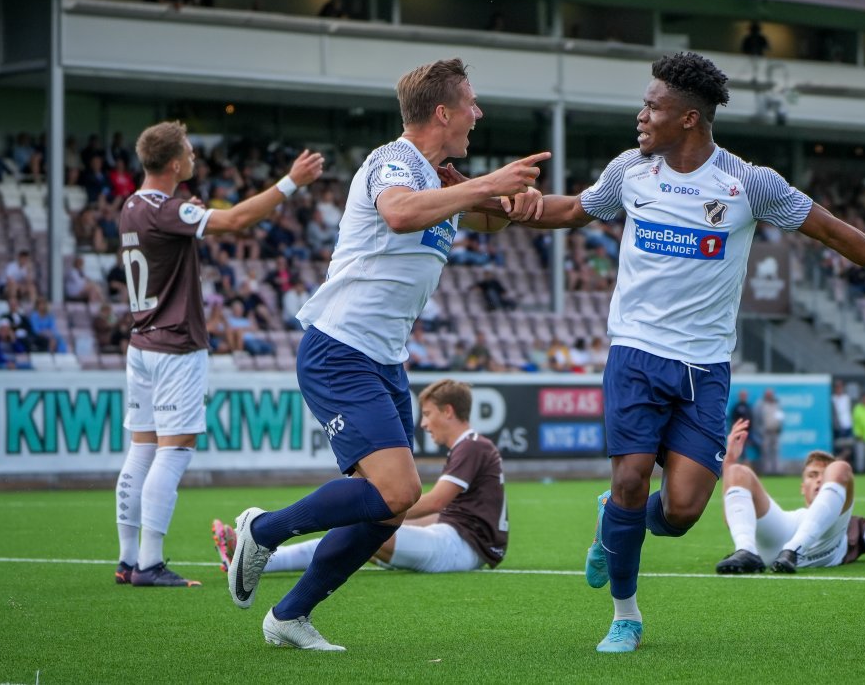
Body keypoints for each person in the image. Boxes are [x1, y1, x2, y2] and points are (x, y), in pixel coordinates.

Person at [498, 51, 865, 653]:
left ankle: (614, 515)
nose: (641, 116)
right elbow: (572, 210)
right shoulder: (630, 170)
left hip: (705, 367)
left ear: (689, 118)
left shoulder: (750, 183)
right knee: (632, 478)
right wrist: (504, 203)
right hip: (635, 353)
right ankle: (625, 615)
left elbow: (833, 231)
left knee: (682, 512)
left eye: (653, 107)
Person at [223, 58, 546, 652]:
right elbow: (398, 214)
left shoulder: (436, 176)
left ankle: (289, 615)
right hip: (340, 347)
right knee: (397, 492)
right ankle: (262, 528)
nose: (478, 114)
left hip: (383, 359)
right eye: (471, 104)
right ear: (443, 112)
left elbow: (485, 220)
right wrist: (486, 184)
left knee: (390, 510)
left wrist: (512, 204)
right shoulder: (392, 161)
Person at [112, 121, 324, 589]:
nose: (194, 157)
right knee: (173, 450)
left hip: (141, 342)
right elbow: (236, 221)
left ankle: (127, 560)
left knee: (141, 449)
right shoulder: (168, 210)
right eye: (189, 151)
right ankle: (149, 563)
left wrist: (186, 212)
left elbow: (169, 232)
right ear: (174, 164)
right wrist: (291, 182)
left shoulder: (130, 206)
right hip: (175, 345)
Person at [212, 379, 507, 576]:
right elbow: (449, 514)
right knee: (356, 531)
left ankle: (253, 555)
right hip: (460, 543)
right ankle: (257, 561)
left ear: (448, 411)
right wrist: (392, 521)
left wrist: (381, 510)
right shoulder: (474, 446)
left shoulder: (471, 446)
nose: (424, 423)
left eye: (428, 414)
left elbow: (435, 503)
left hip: (459, 547)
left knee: (356, 524)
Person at [714, 420, 865, 574]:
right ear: (803, 488)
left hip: (824, 536)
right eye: (813, 475)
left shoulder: (852, 526)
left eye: (825, 476)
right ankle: (746, 551)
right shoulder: (790, 519)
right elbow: (734, 519)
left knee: (841, 467)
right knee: (737, 471)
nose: (819, 480)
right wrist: (729, 462)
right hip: (777, 540)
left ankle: (794, 550)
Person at [752, 388, 785, 475]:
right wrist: (759, 431)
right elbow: (756, 419)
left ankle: (777, 470)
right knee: (766, 452)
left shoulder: (777, 404)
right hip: (765, 432)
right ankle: (767, 471)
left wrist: (780, 427)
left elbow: (781, 417)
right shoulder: (760, 404)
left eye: (770, 394)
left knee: (776, 452)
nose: (769, 396)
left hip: (775, 432)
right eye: (768, 394)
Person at [830, 379, 854, 463]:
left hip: (848, 425)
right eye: (837, 387)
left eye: (840, 387)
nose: (839, 389)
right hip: (837, 427)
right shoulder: (832, 399)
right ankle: (838, 462)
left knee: (848, 447)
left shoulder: (847, 398)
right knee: (838, 446)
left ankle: (840, 460)